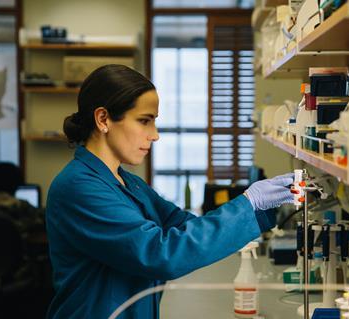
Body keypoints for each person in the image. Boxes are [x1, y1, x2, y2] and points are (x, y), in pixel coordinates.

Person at [46, 64, 295, 319]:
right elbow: (159, 253)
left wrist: (263, 208)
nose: (154, 135)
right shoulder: (78, 187)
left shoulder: (128, 183)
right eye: (144, 121)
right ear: (103, 119)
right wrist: (248, 204)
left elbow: (185, 224)